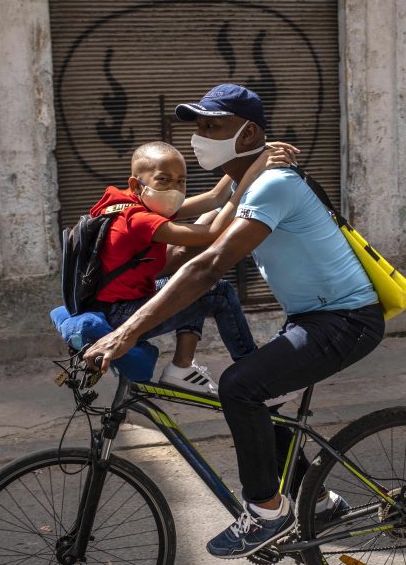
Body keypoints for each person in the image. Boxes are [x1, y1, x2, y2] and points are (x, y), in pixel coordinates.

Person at [83, 84, 383, 558]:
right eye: (198, 126)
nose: (200, 136)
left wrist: (128, 331)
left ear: (250, 135)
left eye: (213, 126)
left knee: (239, 386)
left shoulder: (275, 185)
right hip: (314, 317)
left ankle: (266, 512)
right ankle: (321, 503)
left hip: (346, 319)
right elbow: (189, 240)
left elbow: (209, 265)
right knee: (258, 399)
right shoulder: (251, 183)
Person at [88, 139, 295, 393]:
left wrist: (250, 158)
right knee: (219, 292)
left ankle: (182, 366)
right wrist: (254, 173)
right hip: (121, 314)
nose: (174, 189)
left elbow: (216, 198)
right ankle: (257, 377)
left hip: (115, 302)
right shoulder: (140, 220)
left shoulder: (125, 203)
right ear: (136, 183)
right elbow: (211, 232)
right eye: (164, 180)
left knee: (187, 279)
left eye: (181, 181)